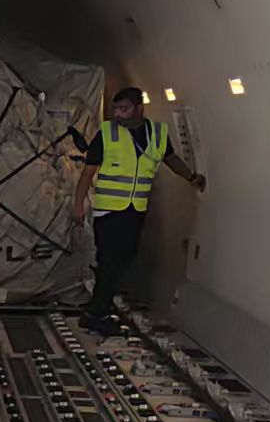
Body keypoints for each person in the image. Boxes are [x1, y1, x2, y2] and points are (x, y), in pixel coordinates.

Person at [72, 87, 206, 331]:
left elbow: (171, 159)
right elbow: (87, 173)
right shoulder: (107, 134)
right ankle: (97, 314)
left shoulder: (157, 134)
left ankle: (98, 308)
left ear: (139, 109)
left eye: (124, 109)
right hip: (108, 210)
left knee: (125, 258)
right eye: (116, 109)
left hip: (135, 210)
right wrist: (78, 205)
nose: (118, 114)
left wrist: (191, 177)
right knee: (109, 260)